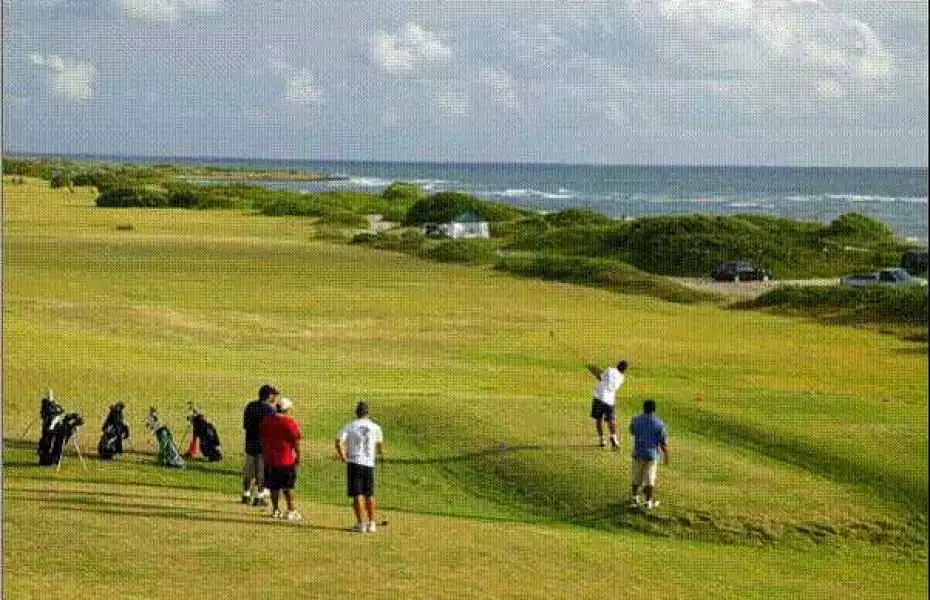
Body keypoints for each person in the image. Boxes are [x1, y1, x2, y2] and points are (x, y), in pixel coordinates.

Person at [335, 401, 384, 533]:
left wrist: (343, 456)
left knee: (357, 494)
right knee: (369, 494)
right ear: (368, 413)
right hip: (369, 463)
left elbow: (339, 441)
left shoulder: (350, 426)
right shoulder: (376, 427)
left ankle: (361, 524)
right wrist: (377, 453)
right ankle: (372, 523)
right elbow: (379, 446)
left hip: (354, 462)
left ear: (356, 413)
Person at [260, 397, 302, 521]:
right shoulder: (289, 422)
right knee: (288, 487)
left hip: (270, 459)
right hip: (286, 459)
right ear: (287, 410)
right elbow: (296, 441)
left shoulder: (266, 420)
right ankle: (291, 510)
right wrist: (298, 456)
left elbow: (262, 437)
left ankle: (275, 510)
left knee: (274, 487)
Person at [242, 384, 278, 506]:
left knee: (248, 470)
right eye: (274, 395)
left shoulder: (250, 406)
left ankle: (246, 494)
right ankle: (259, 497)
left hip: (249, 442)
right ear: (269, 396)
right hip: (263, 445)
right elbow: (272, 430)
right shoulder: (270, 410)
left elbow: (245, 425)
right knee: (261, 471)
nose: (275, 398)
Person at [629, 399, 669, 510]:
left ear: (644, 408)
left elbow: (632, 431)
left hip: (638, 452)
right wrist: (666, 457)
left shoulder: (636, 420)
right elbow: (663, 443)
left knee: (636, 477)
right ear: (654, 410)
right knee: (650, 479)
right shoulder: (660, 423)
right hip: (652, 455)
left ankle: (634, 498)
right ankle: (648, 501)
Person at [586, 359, 628, 449]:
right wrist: (595, 369)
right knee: (610, 420)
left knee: (598, 419)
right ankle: (614, 438)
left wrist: (592, 369)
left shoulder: (610, 370)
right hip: (610, 401)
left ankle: (602, 439)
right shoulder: (622, 378)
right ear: (624, 370)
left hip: (599, 397)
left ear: (618, 365)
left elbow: (600, 377)